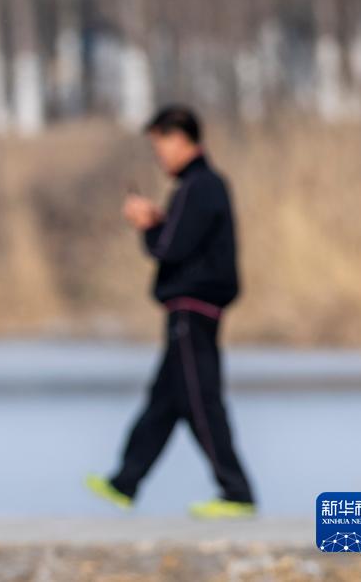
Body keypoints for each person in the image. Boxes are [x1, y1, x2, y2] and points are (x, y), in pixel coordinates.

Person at [85, 105, 256, 519]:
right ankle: (125, 482)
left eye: (160, 145)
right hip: (191, 308)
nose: (159, 155)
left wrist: (148, 223)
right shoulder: (202, 187)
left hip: (193, 308)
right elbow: (184, 239)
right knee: (164, 402)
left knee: (201, 400)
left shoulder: (199, 187)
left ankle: (237, 493)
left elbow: (169, 248)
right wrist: (162, 220)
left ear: (180, 140)